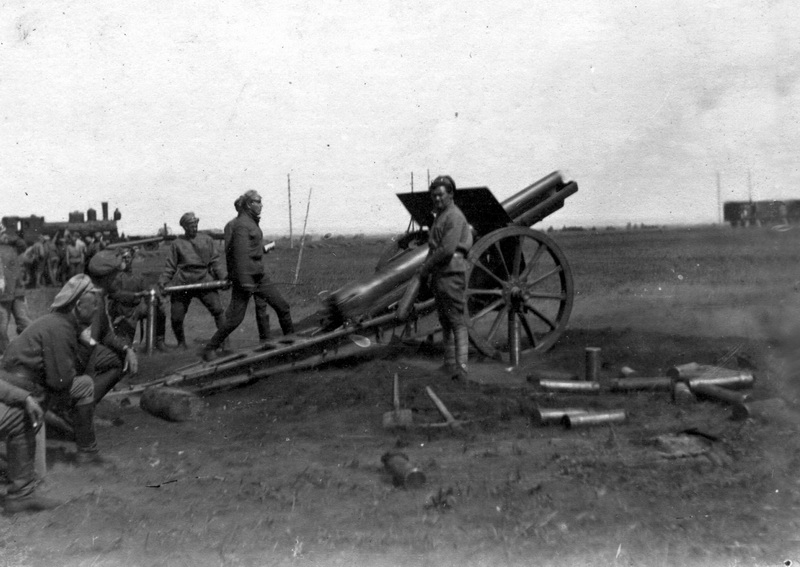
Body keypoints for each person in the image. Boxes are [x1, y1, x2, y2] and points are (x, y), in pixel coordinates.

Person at [0, 275, 104, 513]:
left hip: (24, 384)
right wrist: (87, 345)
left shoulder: (60, 323)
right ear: (78, 305)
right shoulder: (61, 328)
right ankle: (82, 451)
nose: (97, 308)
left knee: (81, 386)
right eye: (93, 303)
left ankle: (82, 452)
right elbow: (61, 381)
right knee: (80, 387)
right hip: (23, 385)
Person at [202, 190, 293, 361]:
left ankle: (293, 345)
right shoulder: (243, 225)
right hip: (248, 279)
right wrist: (244, 282)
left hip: (259, 276)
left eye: (261, 201)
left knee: (283, 307)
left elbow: (251, 250)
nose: (261, 205)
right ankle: (209, 349)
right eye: (258, 201)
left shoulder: (250, 222)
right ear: (249, 204)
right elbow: (240, 254)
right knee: (235, 319)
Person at [417, 176, 473, 382]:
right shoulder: (441, 216)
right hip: (441, 274)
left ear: (451, 194)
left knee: (457, 321)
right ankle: (449, 364)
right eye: (434, 196)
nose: (437, 199)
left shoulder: (454, 216)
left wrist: (426, 267)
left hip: (451, 274)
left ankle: (462, 369)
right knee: (446, 320)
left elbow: (447, 249)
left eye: (441, 195)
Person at [157, 212, 227, 350]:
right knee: (176, 317)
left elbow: (215, 262)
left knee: (218, 311)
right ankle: (181, 344)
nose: (194, 228)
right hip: (183, 281)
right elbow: (170, 266)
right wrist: (163, 281)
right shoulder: (177, 244)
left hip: (204, 279)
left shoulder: (207, 240)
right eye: (190, 225)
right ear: (184, 227)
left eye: (195, 225)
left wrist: (223, 277)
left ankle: (224, 343)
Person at [83, 250, 139, 402]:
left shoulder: (96, 294)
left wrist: (127, 349)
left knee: (122, 354)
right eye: (116, 275)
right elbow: (88, 346)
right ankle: (85, 403)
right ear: (107, 278)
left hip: (76, 355)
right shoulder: (92, 300)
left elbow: (106, 333)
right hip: (74, 360)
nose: (119, 278)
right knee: (118, 361)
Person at [107, 248, 168, 350]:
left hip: (136, 308)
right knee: (124, 345)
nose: (126, 260)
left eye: (128, 257)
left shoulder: (138, 276)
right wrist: (136, 294)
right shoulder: (115, 275)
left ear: (132, 258)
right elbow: (115, 294)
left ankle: (159, 341)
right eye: (124, 257)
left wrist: (156, 298)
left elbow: (146, 290)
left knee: (159, 311)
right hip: (121, 310)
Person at [0, 225, 33, 355]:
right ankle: (7, 353)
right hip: (2, 296)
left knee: (25, 322)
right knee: (1, 328)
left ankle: (34, 347)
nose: (4, 236)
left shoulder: (13, 247)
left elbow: (22, 244)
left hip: (17, 292)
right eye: (2, 234)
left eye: (4, 233)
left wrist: (10, 238)